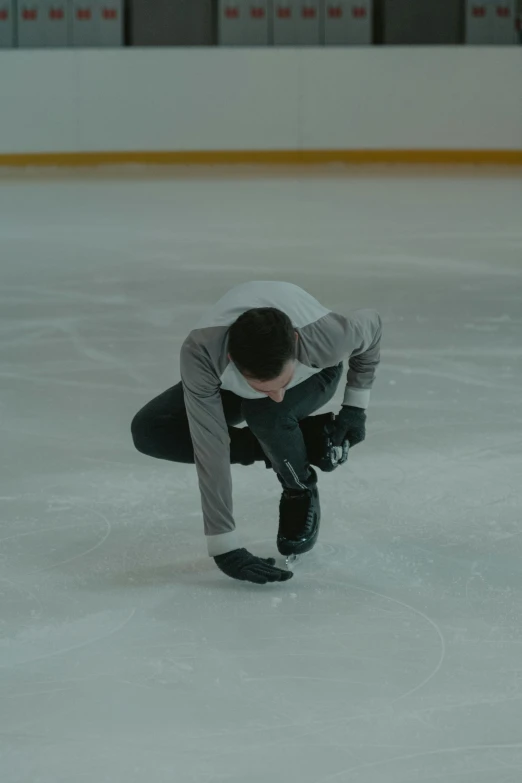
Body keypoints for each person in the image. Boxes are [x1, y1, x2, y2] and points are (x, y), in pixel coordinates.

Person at [131, 281, 382, 585]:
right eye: (264, 387)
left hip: (316, 374)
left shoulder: (326, 337)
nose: (278, 394)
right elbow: (211, 448)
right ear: (233, 362)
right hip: (231, 383)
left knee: (267, 412)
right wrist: (224, 546)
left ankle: (298, 485)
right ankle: (292, 445)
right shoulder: (201, 356)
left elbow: (373, 326)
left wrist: (355, 409)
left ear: (296, 340)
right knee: (150, 430)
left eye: (283, 383)